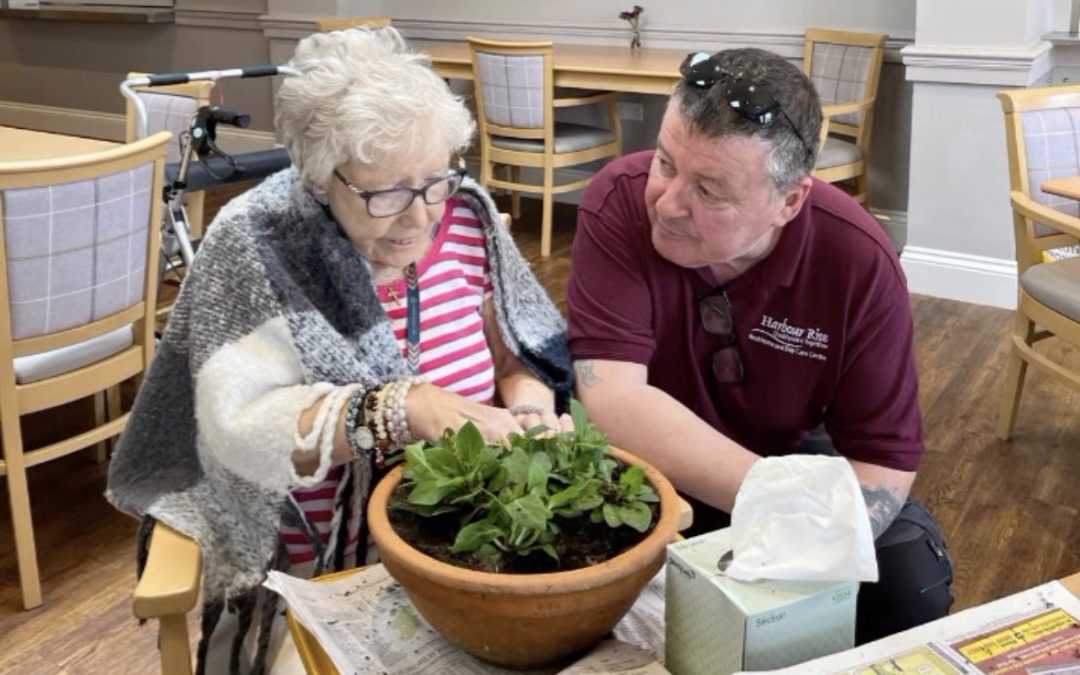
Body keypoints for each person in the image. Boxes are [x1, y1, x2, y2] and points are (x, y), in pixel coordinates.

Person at [107, 26, 571, 673]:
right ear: (322, 179)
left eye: (434, 181)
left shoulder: (466, 214)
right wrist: (397, 407)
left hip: (466, 546)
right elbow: (235, 427)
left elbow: (520, 352)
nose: (419, 218)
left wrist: (528, 417)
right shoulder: (258, 244)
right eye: (386, 194)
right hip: (311, 573)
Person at [567, 47, 953, 644]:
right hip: (648, 460)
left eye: (710, 191)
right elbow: (612, 400)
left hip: (789, 449)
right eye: (666, 163)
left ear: (790, 202)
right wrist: (784, 507)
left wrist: (798, 531)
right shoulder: (617, 199)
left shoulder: (857, 259)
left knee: (909, 584)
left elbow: (883, 462)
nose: (667, 205)